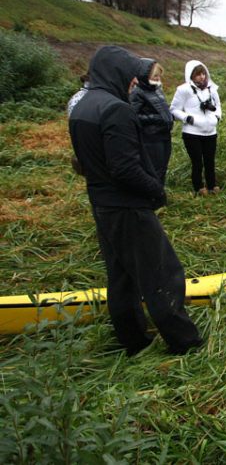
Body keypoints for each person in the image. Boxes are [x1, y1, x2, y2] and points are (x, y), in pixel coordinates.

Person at [68, 45, 202, 356]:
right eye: (130, 77)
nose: (133, 83)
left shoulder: (82, 106)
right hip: (128, 207)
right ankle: (185, 342)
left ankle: (132, 340)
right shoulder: (116, 109)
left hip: (102, 203)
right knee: (162, 274)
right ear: (116, 74)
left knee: (121, 277)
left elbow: (84, 162)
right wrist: (156, 190)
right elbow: (125, 168)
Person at [170, 60, 222, 196]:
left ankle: (212, 185)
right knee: (197, 162)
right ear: (191, 75)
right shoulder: (183, 90)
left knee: (210, 161)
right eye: (198, 74)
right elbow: (174, 109)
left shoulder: (211, 89)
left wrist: (217, 117)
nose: (202, 77)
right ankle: (198, 187)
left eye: (203, 73)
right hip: (192, 133)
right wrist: (188, 118)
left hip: (211, 132)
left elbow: (218, 106)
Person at [129, 59, 173, 186]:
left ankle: (159, 193)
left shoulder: (157, 89)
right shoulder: (137, 92)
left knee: (163, 166)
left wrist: (169, 116)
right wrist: (155, 118)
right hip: (151, 137)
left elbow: (162, 108)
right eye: (155, 75)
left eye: (159, 75)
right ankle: (152, 197)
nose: (158, 78)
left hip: (164, 134)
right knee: (154, 168)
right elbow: (133, 115)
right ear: (145, 75)